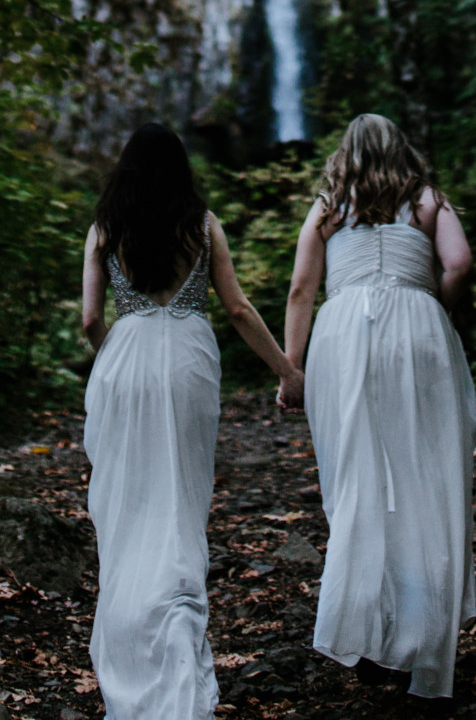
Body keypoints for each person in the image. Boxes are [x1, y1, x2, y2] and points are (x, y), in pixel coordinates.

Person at [82, 122, 304, 720]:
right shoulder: (203, 225)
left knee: (127, 503)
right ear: (181, 168)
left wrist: (116, 363)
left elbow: (88, 320)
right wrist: (287, 373)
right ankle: (178, 632)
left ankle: (131, 636)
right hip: (188, 359)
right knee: (181, 498)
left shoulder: (105, 228)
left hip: (123, 360)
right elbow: (235, 306)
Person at [280, 112, 476, 702]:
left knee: (356, 481)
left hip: (344, 337)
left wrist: (293, 370)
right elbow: (461, 263)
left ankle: (368, 628)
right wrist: (427, 302)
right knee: (427, 475)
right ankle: (423, 631)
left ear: (346, 153)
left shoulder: (327, 208)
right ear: (401, 149)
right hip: (417, 330)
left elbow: (300, 290)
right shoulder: (427, 200)